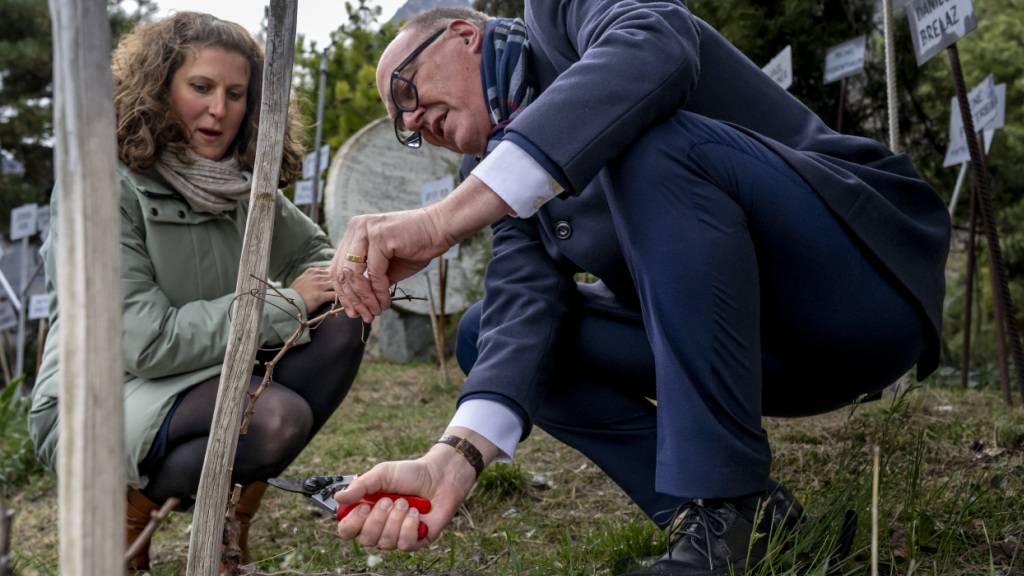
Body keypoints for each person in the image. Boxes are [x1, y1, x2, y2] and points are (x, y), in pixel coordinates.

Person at [328, 4, 950, 574]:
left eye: (406, 90)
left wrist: (441, 221)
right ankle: (746, 528)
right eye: (401, 124)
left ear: (464, 34)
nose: (412, 121)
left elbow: (659, 44)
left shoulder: (563, 15)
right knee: (483, 332)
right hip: (761, 355)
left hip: (861, 287)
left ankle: (725, 503)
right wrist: (452, 460)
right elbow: (524, 310)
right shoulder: (491, 174)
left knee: (650, 141)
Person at [27, 12, 366, 572]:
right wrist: (287, 302)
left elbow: (314, 255)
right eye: (201, 87)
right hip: (101, 394)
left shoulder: (241, 183)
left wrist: (346, 276)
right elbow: (146, 343)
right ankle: (127, 517)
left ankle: (229, 520)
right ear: (159, 89)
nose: (219, 110)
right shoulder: (101, 184)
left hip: (203, 374)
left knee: (343, 318)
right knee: (273, 419)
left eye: (236, 94)